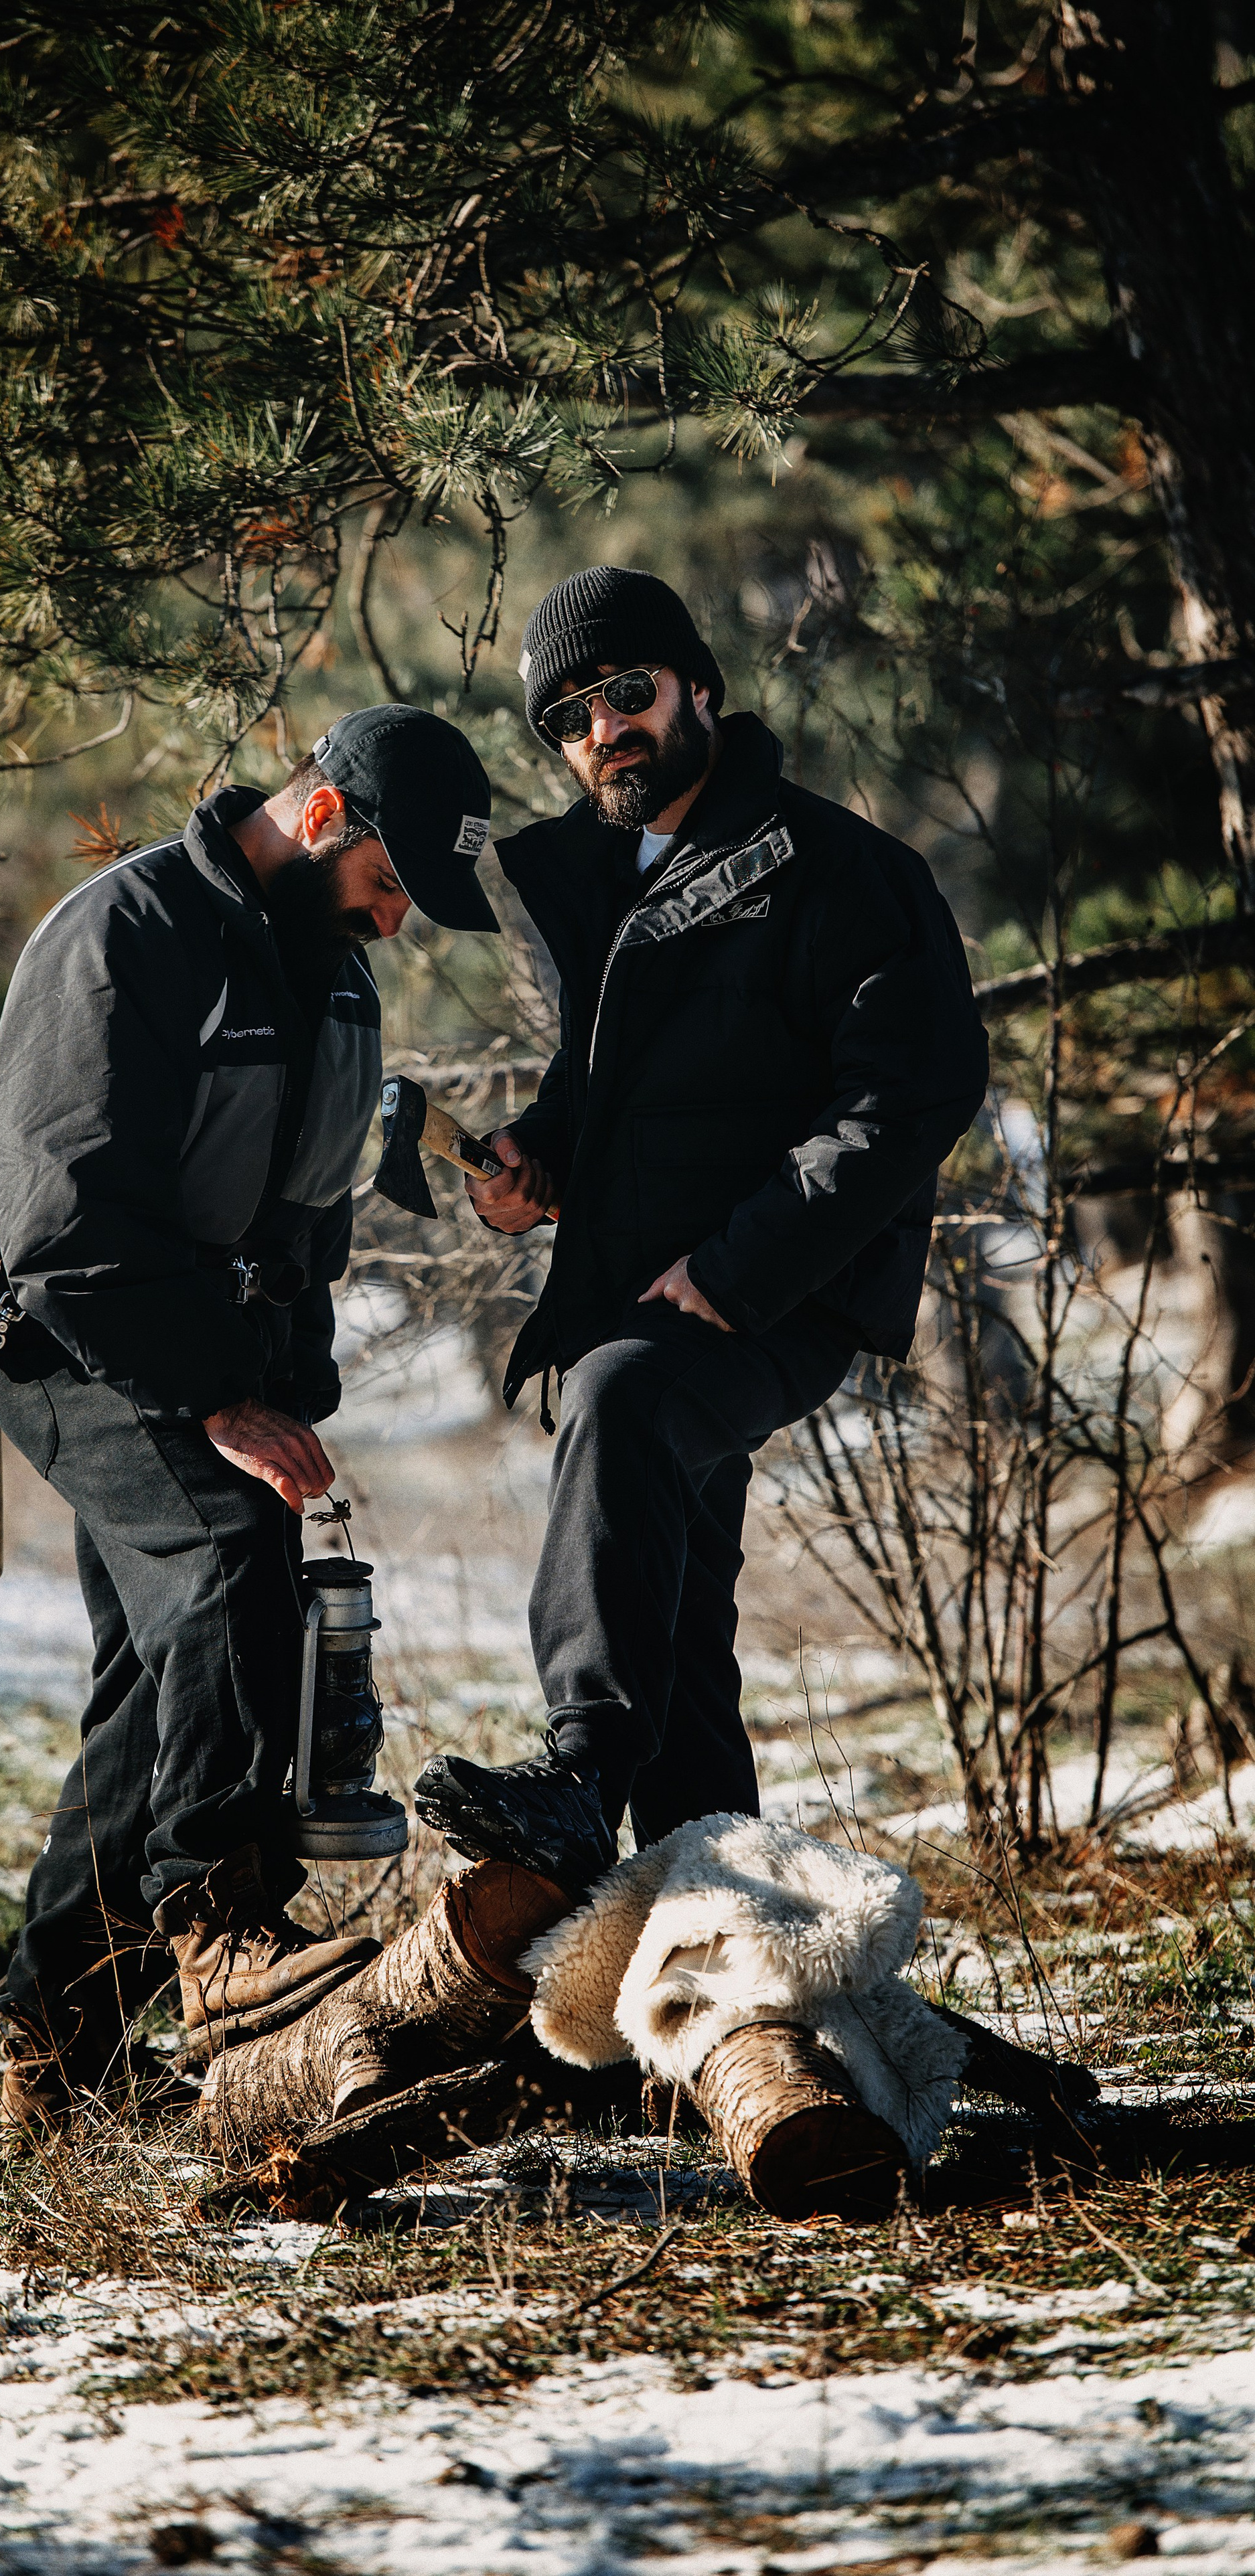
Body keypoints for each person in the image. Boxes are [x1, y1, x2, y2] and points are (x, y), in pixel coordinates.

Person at [414, 566, 988, 1889]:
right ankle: (709, 1919)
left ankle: (580, 1775)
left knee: (614, 1405)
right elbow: (603, 1091)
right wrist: (538, 1158)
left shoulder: (844, 872)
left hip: (775, 1293)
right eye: (568, 716)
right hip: (641, 1278)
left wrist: (736, 1271)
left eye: (625, 691)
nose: (601, 728)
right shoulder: (607, 885)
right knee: (673, 1623)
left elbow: (909, 1095)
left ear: (696, 690)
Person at [0, 706, 498, 2127]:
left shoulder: (334, 979)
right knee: (222, 1566)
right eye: (389, 886)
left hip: (213, 1345)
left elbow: (311, 1208)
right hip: (77, 1332)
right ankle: (217, 1924)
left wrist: (283, 1374)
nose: (394, 924)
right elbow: (62, 1227)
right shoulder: (121, 936)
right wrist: (213, 1399)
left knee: (157, 1690)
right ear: (321, 817)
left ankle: (54, 2040)